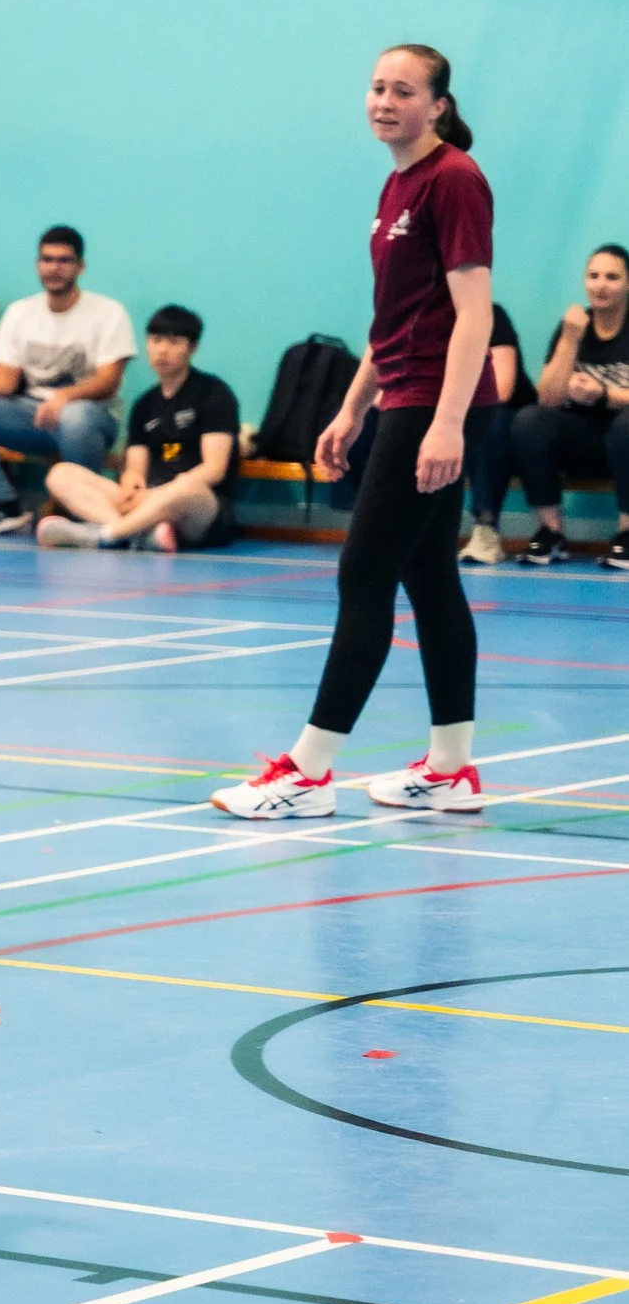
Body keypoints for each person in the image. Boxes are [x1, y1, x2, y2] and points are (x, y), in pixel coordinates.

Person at [213, 44, 497, 820]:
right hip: (406, 396)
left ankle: (308, 773)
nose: (384, 101)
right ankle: (450, 770)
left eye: (404, 91)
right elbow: (394, 319)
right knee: (430, 578)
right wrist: (351, 407)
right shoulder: (398, 181)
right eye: (377, 88)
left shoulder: (454, 179)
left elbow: (474, 314)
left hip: (435, 404)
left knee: (364, 573)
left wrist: (447, 422)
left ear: (438, 106)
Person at [0, 226, 136, 537]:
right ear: (37, 264)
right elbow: (5, 381)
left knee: (74, 417)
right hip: (33, 415)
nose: (54, 268)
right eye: (47, 259)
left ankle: (81, 512)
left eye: (63, 260)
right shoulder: (21, 312)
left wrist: (65, 397)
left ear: (80, 267)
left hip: (92, 416)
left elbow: (108, 382)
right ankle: (3, 505)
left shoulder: (109, 313)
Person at [38, 305, 240, 551]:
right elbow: (135, 469)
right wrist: (131, 484)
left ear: (192, 348)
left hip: (199, 506)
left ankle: (106, 534)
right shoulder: (144, 404)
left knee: (185, 487)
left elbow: (214, 470)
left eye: (174, 342)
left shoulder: (214, 393)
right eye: (156, 340)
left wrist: (158, 495)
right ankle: (138, 535)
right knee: (61, 474)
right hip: (147, 500)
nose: (162, 350)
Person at [508, 245, 629, 568]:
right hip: (584, 439)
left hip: (624, 439)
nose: (601, 285)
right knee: (529, 421)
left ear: (627, 283)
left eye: (612, 277)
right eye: (593, 276)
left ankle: (627, 533)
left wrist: (604, 394)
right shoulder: (573, 327)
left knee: (626, 426)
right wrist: (570, 339)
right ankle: (551, 532)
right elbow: (547, 398)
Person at [455, 303, 527, 564]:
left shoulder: (491, 315)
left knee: (485, 417)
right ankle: (389, 521)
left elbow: (502, 389)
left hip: (506, 420)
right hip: (451, 413)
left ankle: (486, 527)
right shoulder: (415, 315)